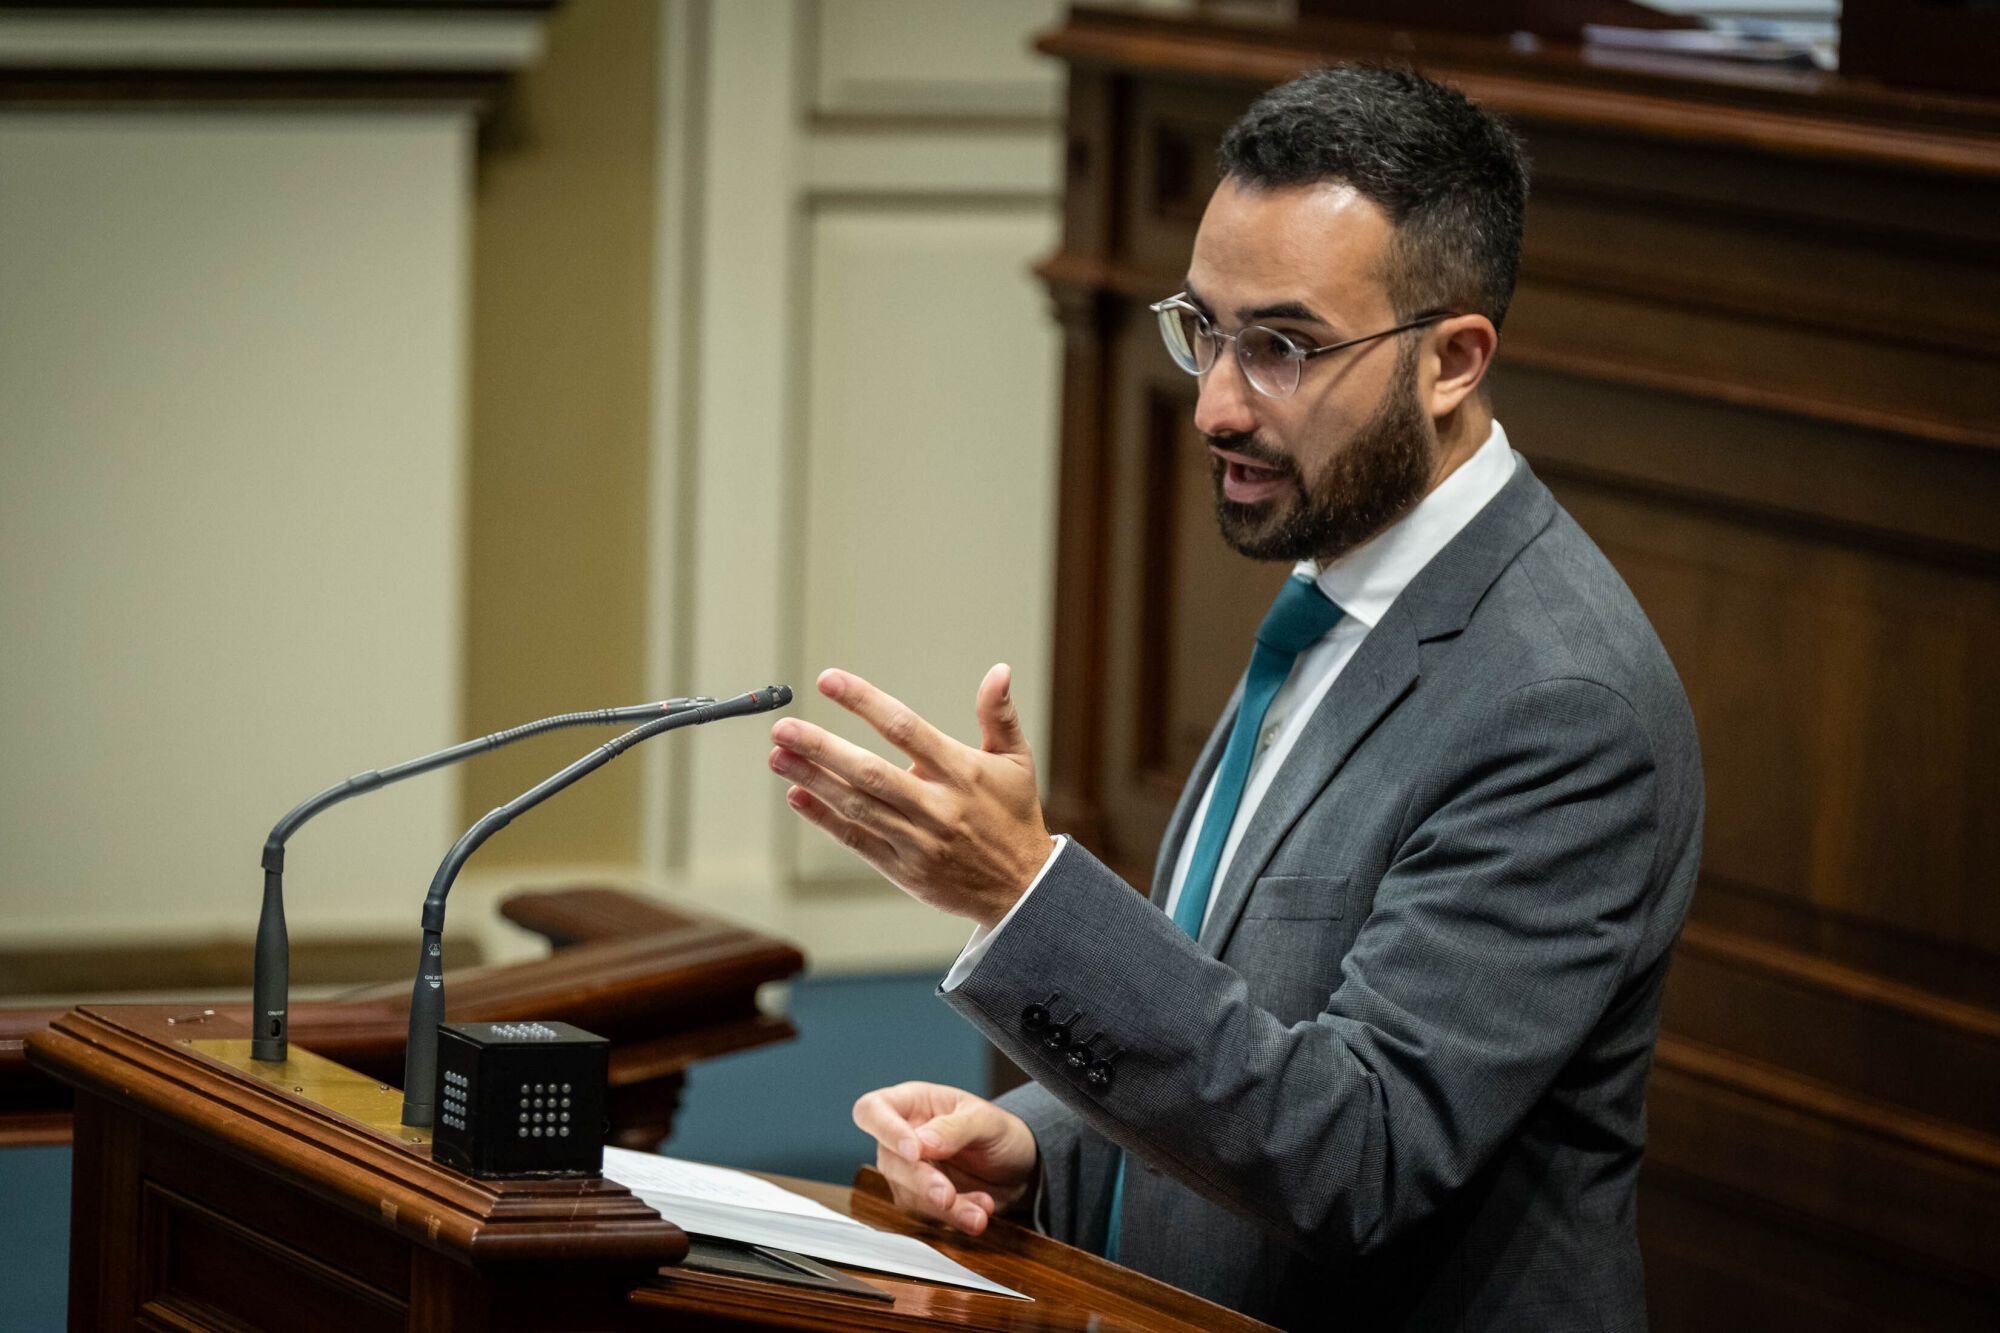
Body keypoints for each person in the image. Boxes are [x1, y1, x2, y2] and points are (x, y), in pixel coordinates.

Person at [766, 64, 1701, 1332]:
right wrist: (1045, 1140)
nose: (1212, 403)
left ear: (1451, 360)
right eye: (1201, 328)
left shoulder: (1558, 702)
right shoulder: (1342, 588)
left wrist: (1022, 894)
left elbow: (1359, 1153)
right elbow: (1246, 1024)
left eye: (1281, 348)